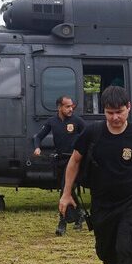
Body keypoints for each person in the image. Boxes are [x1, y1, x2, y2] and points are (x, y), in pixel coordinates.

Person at [59, 86, 132, 264]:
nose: (115, 117)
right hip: (102, 203)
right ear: (104, 111)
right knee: (106, 250)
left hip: (131, 200)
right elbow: (74, 162)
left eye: (119, 112)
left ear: (128, 108)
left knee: (129, 246)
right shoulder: (93, 133)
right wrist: (66, 193)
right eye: (110, 112)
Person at [33, 95, 86, 235]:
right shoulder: (52, 122)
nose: (70, 109)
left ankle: (62, 223)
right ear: (59, 107)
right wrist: (37, 147)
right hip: (60, 161)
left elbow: (88, 136)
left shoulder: (77, 121)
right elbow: (38, 137)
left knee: (64, 190)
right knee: (68, 190)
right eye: (67, 106)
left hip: (73, 162)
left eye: (71, 106)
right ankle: (80, 214)